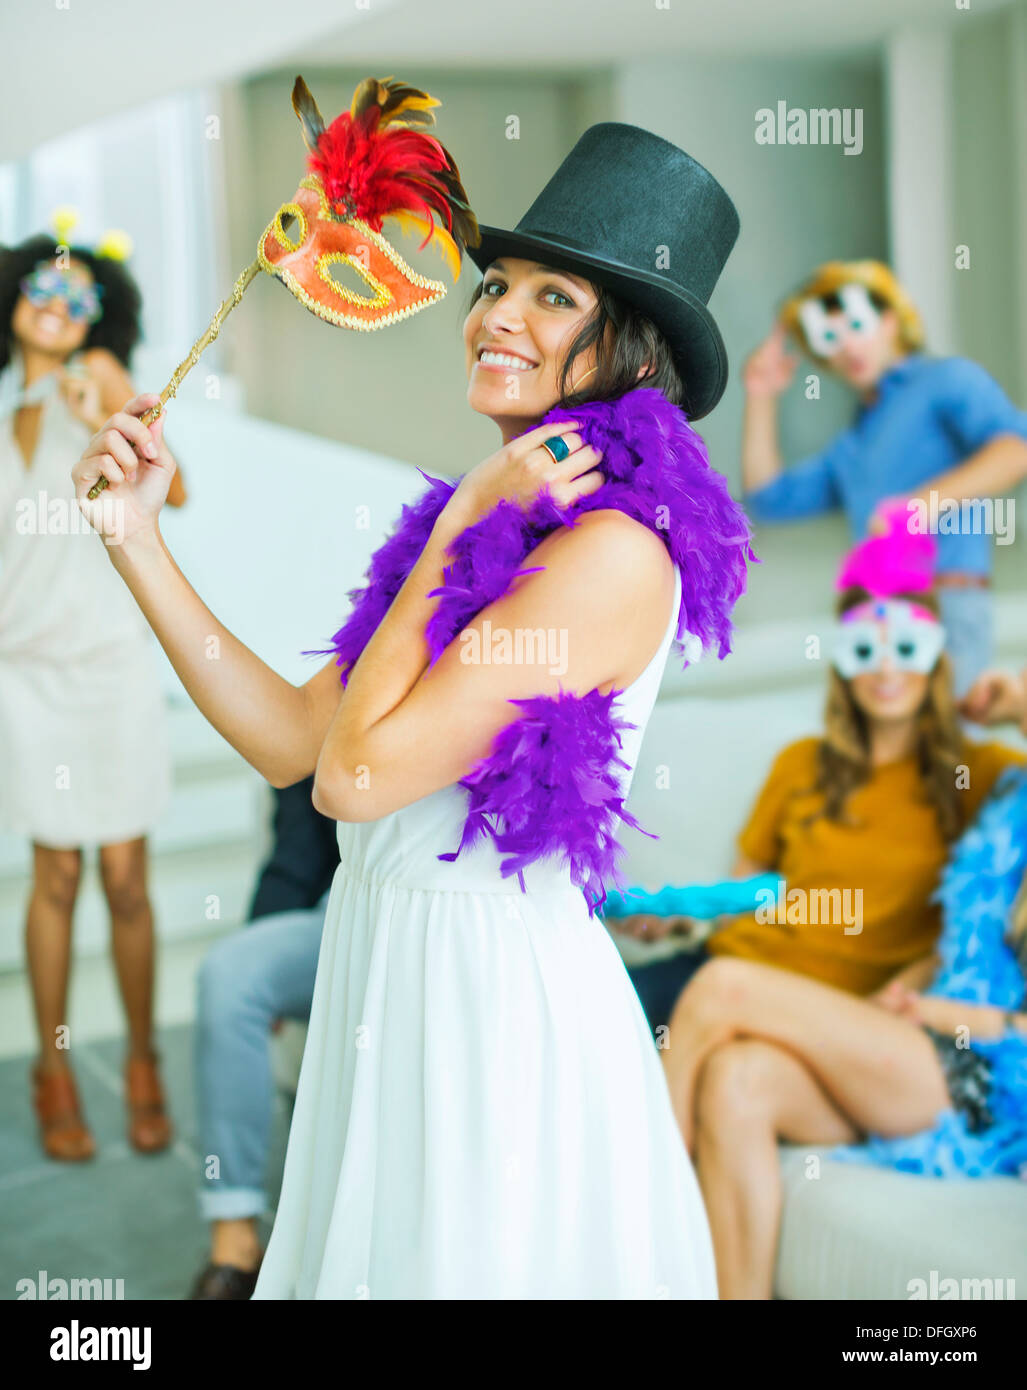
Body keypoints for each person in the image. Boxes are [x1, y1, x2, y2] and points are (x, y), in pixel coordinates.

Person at [71, 122, 752, 1298]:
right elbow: (296, 738)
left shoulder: (610, 556)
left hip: (491, 1005)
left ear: (634, 356)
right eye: (495, 284)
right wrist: (135, 539)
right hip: (383, 960)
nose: (496, 314)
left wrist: (454, 525)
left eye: (551, 298)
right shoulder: (486, 535)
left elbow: (356, 779)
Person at [621, 520, 1027, 1038]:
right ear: (841, 664)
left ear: (937, 660)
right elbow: (744, 894)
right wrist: (684, 919)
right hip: (724, 966)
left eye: (906, 647)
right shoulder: (801, 762)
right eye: (864, 649)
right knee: (589, 1018)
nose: (885, 671)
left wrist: (1013, 708)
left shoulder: (979, 776)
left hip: (821, 1014)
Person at [654, 766, 1027, 1300]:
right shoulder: (1012, 798)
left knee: (722, 987)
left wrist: (951, 1016)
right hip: (935, 1044)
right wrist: (896, 997)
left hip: (995, 1082)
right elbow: (961, 947)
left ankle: (640, 1212)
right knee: (737, 1078)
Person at [0, 225, 187, 1162]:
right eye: (44, 287)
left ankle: (146, 1059)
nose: (59, 306)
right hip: (27, 674)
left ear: (100, 317)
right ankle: (54, 1069)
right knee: (57, 876)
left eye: (80, 298)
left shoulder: (103, 379)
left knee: (124, 880)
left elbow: (175, 490)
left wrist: (97, 418)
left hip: (111, 663)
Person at [740, 260, 1027, 695]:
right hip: (877, 618)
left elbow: (1014, 452)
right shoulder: (852, 444)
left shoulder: (947, 379)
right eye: (829, 338)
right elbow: (769, 499)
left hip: (947, 607)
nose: (848, 346)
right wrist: (760, 396)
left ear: (892, 320)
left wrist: (919, 506)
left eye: (858, 324)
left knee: (946, 753)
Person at [189, 774, 339, 1301]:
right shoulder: (338, 691)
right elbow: (298, 847)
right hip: (342, 907)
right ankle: (235, 1241)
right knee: (229, 976)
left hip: (469, 914)